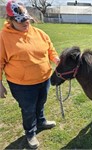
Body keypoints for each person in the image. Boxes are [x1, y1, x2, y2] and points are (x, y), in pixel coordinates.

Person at [0, 0, 60, 148]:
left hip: (44, 78)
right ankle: (30, 133)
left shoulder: (39, 33)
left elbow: (50, 49)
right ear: (10, 20)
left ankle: (41, 121)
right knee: (28, 109)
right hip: (22, 85)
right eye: (21, 21)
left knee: (40, 103)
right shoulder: (3, 37)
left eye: (27, 19)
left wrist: (56, 59)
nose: (25, 23)